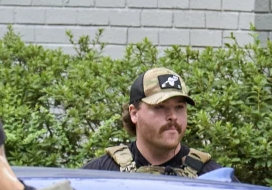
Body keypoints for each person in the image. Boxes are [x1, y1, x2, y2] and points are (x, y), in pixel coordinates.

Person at [82, 67, 221, 176]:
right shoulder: (101, 175)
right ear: (134, 113)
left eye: (179, 107)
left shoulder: (210, 178)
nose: (173, 116)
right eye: (160, 107)